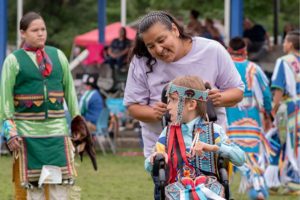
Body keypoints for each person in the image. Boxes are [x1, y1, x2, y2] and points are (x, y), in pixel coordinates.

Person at [124, 10, 244, 159]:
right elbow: (132, 107)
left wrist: (220, 97)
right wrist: (154, 113)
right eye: (151, 46)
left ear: (174, 30)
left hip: (208, 148)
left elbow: (237, 91)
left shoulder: (212, 50)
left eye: (161, 40)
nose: (159, 49)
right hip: (164, 152)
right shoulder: (141, 61)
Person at [0, 12, 81, 199]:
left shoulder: (58, 56)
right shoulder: (13, 60)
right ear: (23, 33)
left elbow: (70, 91)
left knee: (58, 187)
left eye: (43, 29)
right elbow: (5, 99)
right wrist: (9, 131)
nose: (40, 33)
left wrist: (77, 121)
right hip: (27, 134)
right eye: (35, 30)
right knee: (33, 189)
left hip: (56, 134)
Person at [145, 76, 246, 199]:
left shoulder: (214, 131)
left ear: (191, 105)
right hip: (177, 192)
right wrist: (154, 158)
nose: (168, 106)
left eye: (172, 100)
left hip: (210, 191)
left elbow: (240, 158)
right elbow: (149, 166)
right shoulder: (167, 133)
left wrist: (215, 148)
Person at [226, 37, 272, 200]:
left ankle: (222, 192)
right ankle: (257, 191)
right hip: (251, 120)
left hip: (228, 119)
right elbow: (266, 94)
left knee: (226, 156)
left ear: (228, 49)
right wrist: (268, 114)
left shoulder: (225, 67)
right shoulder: (254, 69)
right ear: (245, 50)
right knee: (252, 155)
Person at [270, 31, 300, 194]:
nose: (283, 44)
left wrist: (273, 108)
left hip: (288, 107)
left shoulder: (283, 61)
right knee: (295, 142)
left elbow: (279, 88)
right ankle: (277, 180)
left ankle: (289, 181)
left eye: (285, 42)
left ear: (290, 44)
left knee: (278, 140)